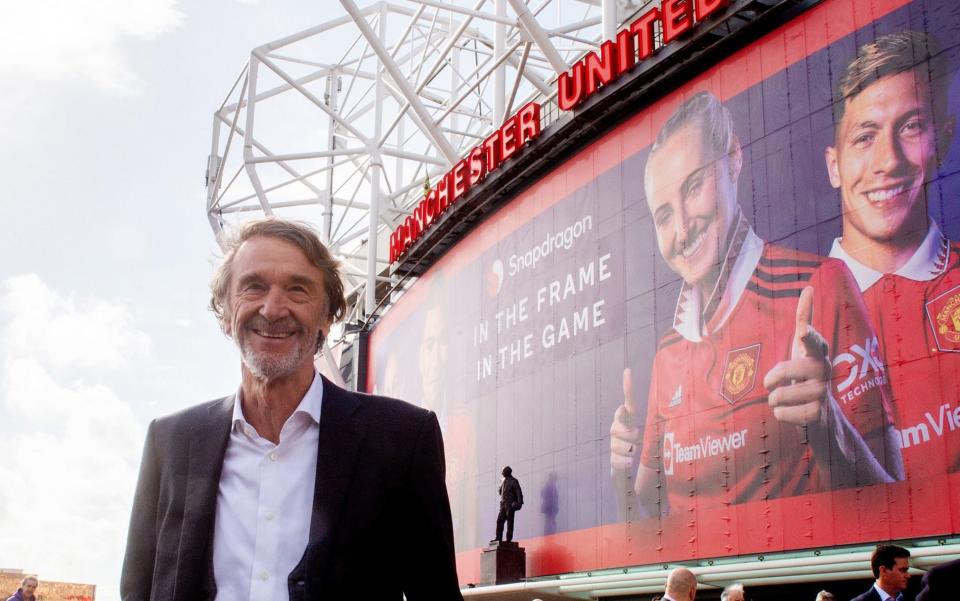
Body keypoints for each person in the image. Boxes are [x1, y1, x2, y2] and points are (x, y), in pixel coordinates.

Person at [120, 218, 462, 601]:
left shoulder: (401, 439)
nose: (273, 308)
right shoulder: (170, 443)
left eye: (298, 290)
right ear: (225, 309)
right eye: (254, 286)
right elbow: (137, 589)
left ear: (327, 316)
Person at [610, 91, 903, 518]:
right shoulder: (668, 351)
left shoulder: (819, 287)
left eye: (693, 188)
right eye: (663, 216)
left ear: (732, 159)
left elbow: (894, 508)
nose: (683, 228)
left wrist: (827, 424)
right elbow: (648, 523)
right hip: (697, 583)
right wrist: (621, 475)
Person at [825, 31, 960, 478]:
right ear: (834, 165)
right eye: (865, 137)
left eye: (910, 127)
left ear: (940, 141)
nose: (888, 160)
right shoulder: (787, 315)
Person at [495, 466, 524, 543]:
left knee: (510, 523)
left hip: (510, 505)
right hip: (503, 504)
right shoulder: (502, 480)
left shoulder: (514, 481)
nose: (502, 473)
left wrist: (519, 503)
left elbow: (519, 493)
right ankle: (498, 538)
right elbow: (500, 491)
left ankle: (508, 539)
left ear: (508, 472)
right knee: (499, 521)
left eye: (503, 471)